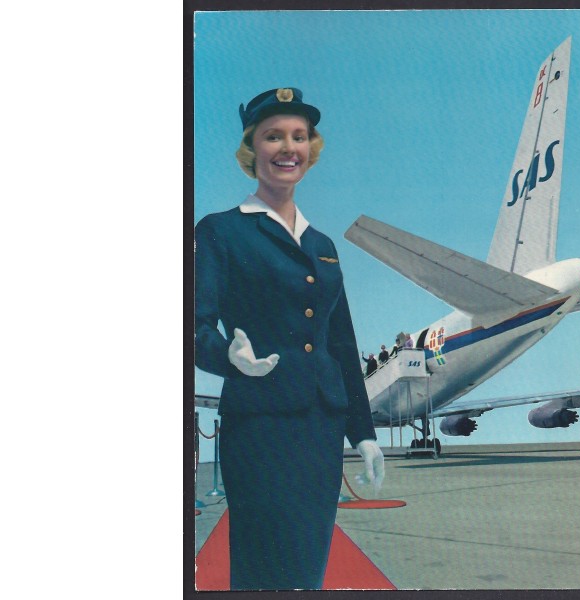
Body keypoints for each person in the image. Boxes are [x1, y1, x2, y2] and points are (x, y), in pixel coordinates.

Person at [194, 87, 385, 591]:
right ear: (251, 149)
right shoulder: (219, 232)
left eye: (299, 137)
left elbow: (342, 346)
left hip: (321, 429)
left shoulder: (322, 245)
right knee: (262, 569)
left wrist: (363, 434)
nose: (288, 148)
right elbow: (193, 326)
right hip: (259, 427)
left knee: (307, 568)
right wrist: (229, 358)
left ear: (310, 150)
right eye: (273, 136)